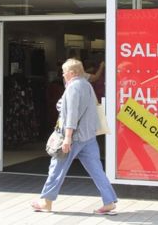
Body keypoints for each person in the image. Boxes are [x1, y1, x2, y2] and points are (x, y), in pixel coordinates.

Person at [31, 58, 118, 214]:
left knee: (56, 168)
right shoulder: (86, 85)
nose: (63, 75)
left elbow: (72, 114)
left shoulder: (73, 88)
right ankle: (109, 201)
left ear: (71, 73)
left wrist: (67, 137)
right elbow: (79, 107)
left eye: (64, 72)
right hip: (89, 137)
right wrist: (62, 103)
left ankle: (46, 202)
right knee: (97, 170)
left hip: (75, 137)